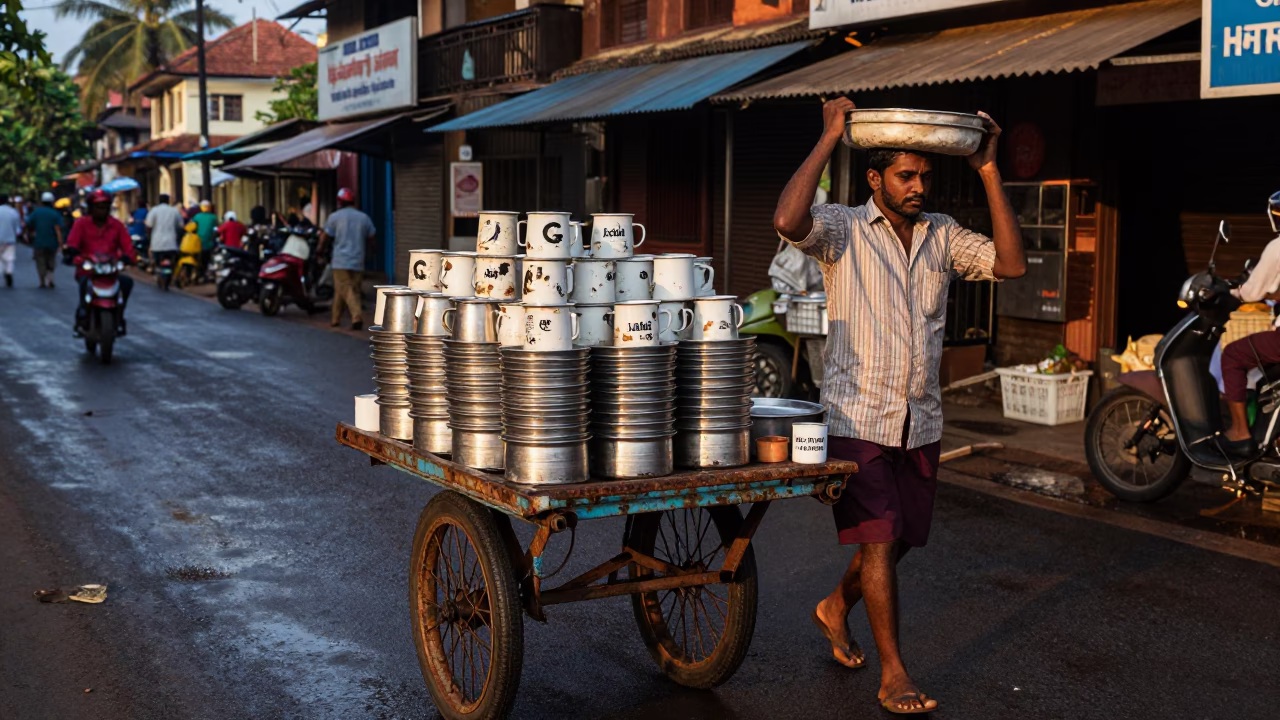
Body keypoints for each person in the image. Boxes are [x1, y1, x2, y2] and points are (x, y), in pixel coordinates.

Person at [773, 98, 1026, 715]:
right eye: (905, 176)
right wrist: (832, 134)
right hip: (857, 416)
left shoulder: (943, 235)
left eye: (925, 176)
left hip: (922, 418)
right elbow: (786, 219)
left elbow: (1011, 263)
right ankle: (894, 673)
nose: (918, 186)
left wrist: (988, 169)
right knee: (881, 541)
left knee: (902, 537)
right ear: (875, 179)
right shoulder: (841, 229)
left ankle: (835, 606)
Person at [1219, 190, 1280, 452]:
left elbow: (1252, 292)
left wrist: (1229, 293)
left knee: (1232, 355)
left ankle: (1240, 432)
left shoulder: (1277, 247)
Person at [66, 190, 137, 335]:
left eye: (104, 207)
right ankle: (82, 314)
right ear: (91, 208)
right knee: (84, 283)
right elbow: (72, 243)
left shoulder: (116, 225)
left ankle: (119, 314)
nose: (101, 210)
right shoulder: (81, 224)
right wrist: (73, 253)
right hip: (88, 269)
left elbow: (127, 245)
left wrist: (128, 257)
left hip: (111, 270)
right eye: (98, 207)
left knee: (127, 282)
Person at [320, 187, 375, 330]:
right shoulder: (364, 217)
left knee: (346, 289)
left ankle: (356, 316)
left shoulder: (334, 217)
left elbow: (325, 237)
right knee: (348, 290)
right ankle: (335, 319)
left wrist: (319, 250)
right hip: (358, 260)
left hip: (340, 261)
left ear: (339, 202)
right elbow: (372, 238)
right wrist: (371, 254)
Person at [26, 192, 65, 288]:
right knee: (51, 261)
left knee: (40, 261)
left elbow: (28, 224)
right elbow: (58, 230)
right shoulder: (55, 214)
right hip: (52, 243)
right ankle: (50, 279)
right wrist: (61, 244)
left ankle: (42, 281)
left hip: (39, 242)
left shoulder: (36, 212)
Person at [145, 193, 184, 277]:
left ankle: (157, 271)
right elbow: (181, 226)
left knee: (157, 262)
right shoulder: (174, 211)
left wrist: (149, 237)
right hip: (171, 244)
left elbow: (149, 225)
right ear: (168, 201)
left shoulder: (154, 210)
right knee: (173, 261)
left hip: (157, 243)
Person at [0, 194, 22, 287]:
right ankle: (9, 272)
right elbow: (18, 229)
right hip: (10, 240)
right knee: (9, 259)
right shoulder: (13, 212)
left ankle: (2, 272)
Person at [192, 200, 218, 277]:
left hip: (197, 243)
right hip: (209, 243)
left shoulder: (197, 217)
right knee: (207, 260)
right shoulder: (213, 217)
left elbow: (192, 228)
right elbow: (216, 230)